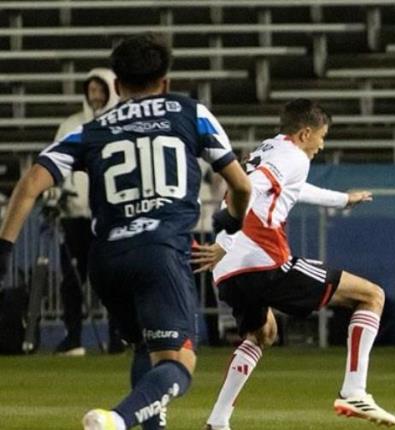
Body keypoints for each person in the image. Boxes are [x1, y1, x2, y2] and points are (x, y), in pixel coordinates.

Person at [0, 34, 252, 430]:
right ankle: (116, 420)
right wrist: (231, 224)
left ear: (117, 86)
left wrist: (3, 250)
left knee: (146, 347)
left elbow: (32, 182)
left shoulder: (92, 128)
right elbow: (242, 186)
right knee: (179, 363)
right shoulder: (190, 113)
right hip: (160, 252)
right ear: (165, 82)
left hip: (107, 260)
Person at [192, 99, 395, 430]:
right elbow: (248, 191)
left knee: (263, 334)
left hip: (229, 270)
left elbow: (290, 189)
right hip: (262, 260)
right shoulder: (294, 156)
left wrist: (343, 199)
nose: (322, 145)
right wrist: (223, 240)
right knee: (371, 296)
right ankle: (354, 390)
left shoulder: (270, 148)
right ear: (305, 133)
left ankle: (218, 421)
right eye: (322, 136)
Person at [52, 68, 124, 356]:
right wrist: (57, 196)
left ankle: (117, 337)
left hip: (108, 217)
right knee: (72, 280)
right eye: (90, 90)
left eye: (100, 90)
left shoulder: (118, 125)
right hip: (75, 216)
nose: (95, 96)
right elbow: (56, 165)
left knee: (112, 280)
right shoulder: (71, 125)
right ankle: (73, 336)